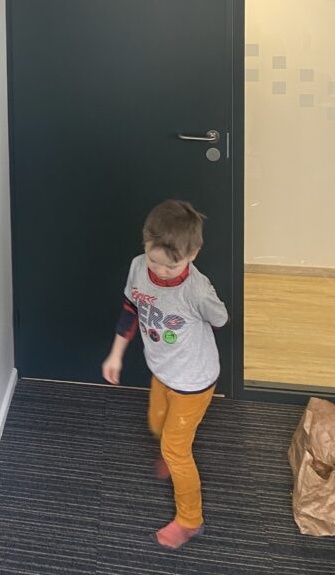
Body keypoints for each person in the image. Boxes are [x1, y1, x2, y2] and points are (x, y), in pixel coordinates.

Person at [102, 199, 228, 550]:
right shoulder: (138, 267)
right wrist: (116, 354)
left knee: (175, 450)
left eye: (171, 266)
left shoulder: (197, 290)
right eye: (153, 259)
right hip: (161, 370)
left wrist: (192, 324)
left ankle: (190, 520)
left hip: (194, 381)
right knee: (156, 422)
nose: (159, 271)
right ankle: (171, 453)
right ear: (145, 245)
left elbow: (220, 319)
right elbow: (130, 310)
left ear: (193, 254)